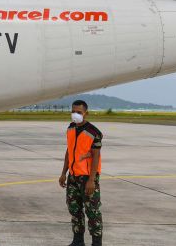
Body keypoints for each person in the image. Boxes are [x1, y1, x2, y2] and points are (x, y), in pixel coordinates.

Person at [59, 100, 103, 246]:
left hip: (87, 177)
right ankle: (78, 242)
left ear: (86, 113)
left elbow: (96, 157)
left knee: (93, 212)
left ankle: (96, 243)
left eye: (78, 112)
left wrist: (92, 180)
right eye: (73, 111)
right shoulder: (70, 128)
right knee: (74, 209)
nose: (75, 114)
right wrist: (63, 173)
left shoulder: (94, 132)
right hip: (73, 176)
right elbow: (69, 151)